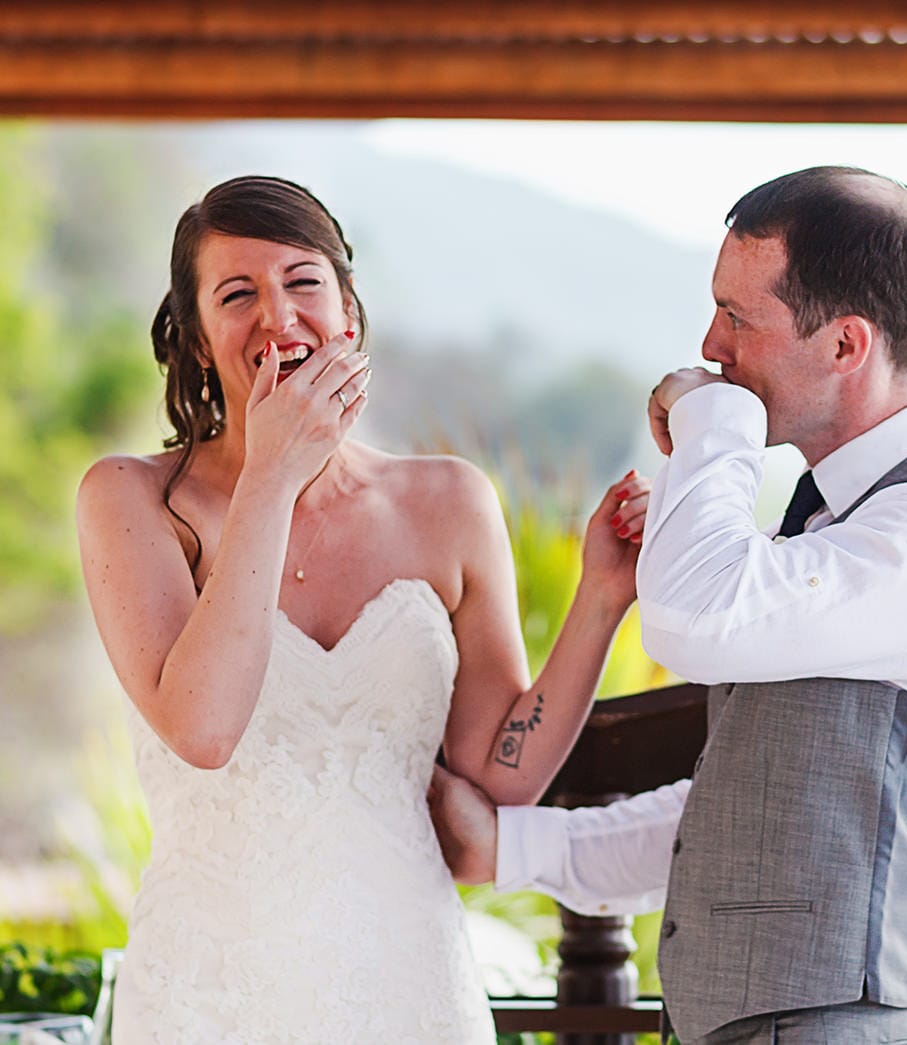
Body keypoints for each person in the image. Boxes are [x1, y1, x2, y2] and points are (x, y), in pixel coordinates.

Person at [429, 166, 907, 1045]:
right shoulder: (832, 521)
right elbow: (747, 814)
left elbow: (689, 620)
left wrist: (710, 416)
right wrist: (509, 847)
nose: (711, 345)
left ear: (846, 346)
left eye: (739, 318)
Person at [74, 175, 649, 1043]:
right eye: (238, 295)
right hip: (209, 997)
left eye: (304, 282)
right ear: (197, 344)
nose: (278, 316)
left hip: (410, 986)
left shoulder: (450, 501)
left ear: (348, 313)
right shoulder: (130, 499)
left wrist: (602, 596)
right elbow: (202, 730)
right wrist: (271, 474)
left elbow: (501, 773)